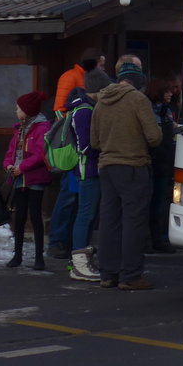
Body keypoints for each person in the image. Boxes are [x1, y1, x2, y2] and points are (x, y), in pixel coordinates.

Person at [91, 58, 161, 290]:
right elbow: (154, 137)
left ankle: (107, 274)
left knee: (109, 221)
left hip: (107, 166)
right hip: (132, 166)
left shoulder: (102, 101)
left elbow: (94, 141)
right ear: (138, 80)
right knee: (133, 221)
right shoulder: (138, 100)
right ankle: (130, 276)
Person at [47, 47, 105, 259]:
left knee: (78, 198)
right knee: (69, 196)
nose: (103, 68)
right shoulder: (71, 77)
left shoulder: (85, 78)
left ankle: (71, 241)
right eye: (101, 63)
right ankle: (58, 240)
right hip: (74, 146)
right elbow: (59, 110)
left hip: (79, 143)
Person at [64, 67, 111, 282]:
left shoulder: (87, 107)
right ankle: (79, 264)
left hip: (90, 170)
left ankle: (82, 260)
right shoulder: (84, 111)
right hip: (88, 170)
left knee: (88, 215)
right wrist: (104, 148)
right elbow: (85, 146)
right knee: (85, 214)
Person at [2, 90, 52, 269]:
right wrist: (8, 165)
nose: (16, 111)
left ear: (27, 110)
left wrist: (21, 167)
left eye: (18, 108)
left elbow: (40, 154)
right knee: (20, 216)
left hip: (34, 177)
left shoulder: (42, 128)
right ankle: (18, 255)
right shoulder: (19, 129)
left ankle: (39, 257)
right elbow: (10, 152)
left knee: (35, 216)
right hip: (18, 179)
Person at [146, 77, 179, 253]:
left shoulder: (166, 111)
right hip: (155, 161)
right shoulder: (150, 110)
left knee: (163, 200)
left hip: (166, 161)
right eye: (166, 91)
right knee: (153, 201)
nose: (170, 94)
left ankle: (160, 238)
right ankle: (152, 239)